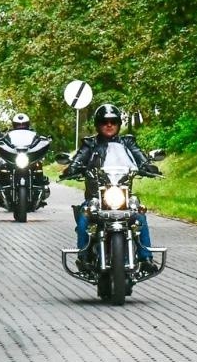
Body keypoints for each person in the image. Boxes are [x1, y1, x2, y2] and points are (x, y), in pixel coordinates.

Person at [60, 103, 161, 270]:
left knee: (139, 213)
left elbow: (138, 156)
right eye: (104, 122)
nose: (109, 125)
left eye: (113, 122)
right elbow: (80, 158)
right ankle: (84, 258)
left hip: (122, 196)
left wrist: (147, 166)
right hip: (97, 197)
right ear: (98, 124)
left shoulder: (127, 142)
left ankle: (145, 259)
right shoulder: (90, 144)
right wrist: (73, 167)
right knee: (85, 216)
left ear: (118, 124)